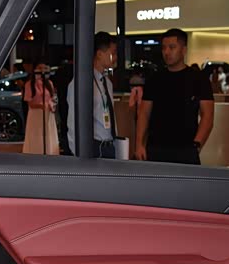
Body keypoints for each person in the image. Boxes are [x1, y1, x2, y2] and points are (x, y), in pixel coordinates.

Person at [136, 28, 214, 164]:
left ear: (184, 50)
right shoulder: (154, 79)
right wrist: (139, 144)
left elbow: (207, 116)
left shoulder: (198, 79)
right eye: (164, 48)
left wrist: (196, 145)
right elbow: (144, 114)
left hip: (186, 149)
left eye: (172, 47)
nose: (167, 52)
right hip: (156, 149)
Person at [67, 32, 119, 158]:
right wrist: (78, 153)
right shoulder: (82, 82)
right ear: (99, 54)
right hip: (93, 148)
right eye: (112, 53)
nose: (115, 57)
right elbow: (74, 122)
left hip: (109, 146)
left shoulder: (107, 82)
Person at [22, 61, 59, 155]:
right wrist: (41, 105)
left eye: (44, 68)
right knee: (36, 135)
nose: (42, 71)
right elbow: (30, 103)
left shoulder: (49, 83)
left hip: (47, 113)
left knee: (48, 134)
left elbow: (53, 98)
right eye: (40, 68)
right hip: (36, 114)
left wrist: (51, 105)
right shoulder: (29, 84)